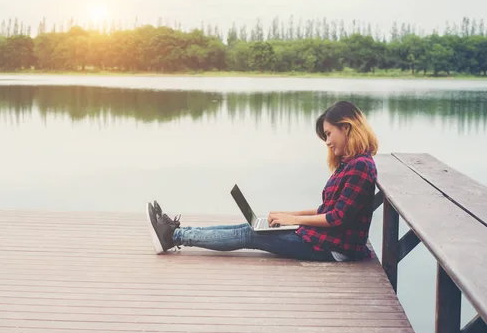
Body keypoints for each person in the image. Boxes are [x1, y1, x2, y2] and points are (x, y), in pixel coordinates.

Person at [146, 101, 379, 262]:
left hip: (333, 249)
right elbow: (327, 209)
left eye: (329, 134)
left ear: (346, 128)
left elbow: (337, 217)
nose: (327, 142)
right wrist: (287, 215)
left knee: (251, 235)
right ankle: (177, 232)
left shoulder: (360, 166)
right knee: (250, 227)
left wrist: (293, 220)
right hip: (326, 240)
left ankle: (173, 237)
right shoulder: (350, 163)